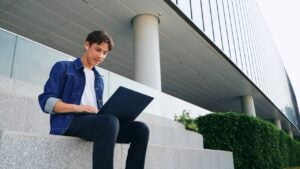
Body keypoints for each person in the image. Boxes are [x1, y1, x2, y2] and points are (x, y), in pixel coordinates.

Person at [38, 30, 149, 169]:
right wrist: (78, 107)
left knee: (140, 129)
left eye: (105, 53)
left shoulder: (99, 79)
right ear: (86, 45)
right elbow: (46, 101)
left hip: (96, 123)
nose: (100, 56)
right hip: (70, 121)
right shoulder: (63, 67)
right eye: (98, 50)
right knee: (109, 121)